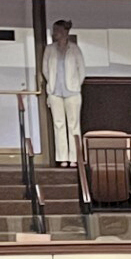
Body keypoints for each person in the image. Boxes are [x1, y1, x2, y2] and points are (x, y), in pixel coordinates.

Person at [40, 19, 86, 168]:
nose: (55, 34)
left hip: (72, 92)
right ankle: (62, 158)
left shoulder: (75, 49)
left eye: (57, 31)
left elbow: (81, 71)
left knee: (74, 125)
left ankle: (75, 157)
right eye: (54, 31)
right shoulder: (49, 49)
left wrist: (75, 85)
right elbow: (45, 70)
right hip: (55, 92)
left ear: (65, 32)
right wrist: (51, 86)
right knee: (58, 124)